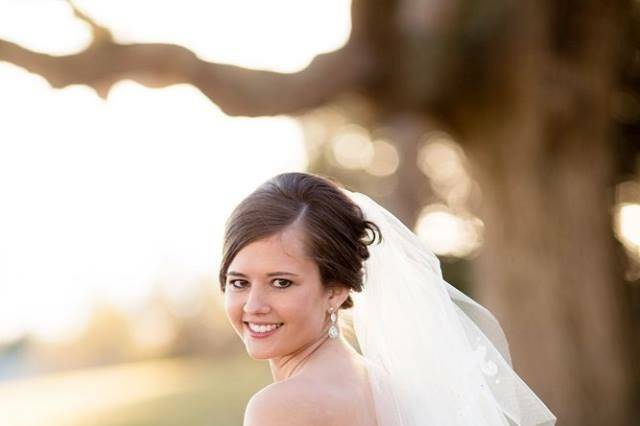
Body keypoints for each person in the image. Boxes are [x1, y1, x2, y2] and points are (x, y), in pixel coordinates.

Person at [219, 172, 557, 426]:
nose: (253, 305)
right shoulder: (387, 388)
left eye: (281, 282)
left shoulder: (279, 407)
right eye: (239, 282)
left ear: (336, 290)